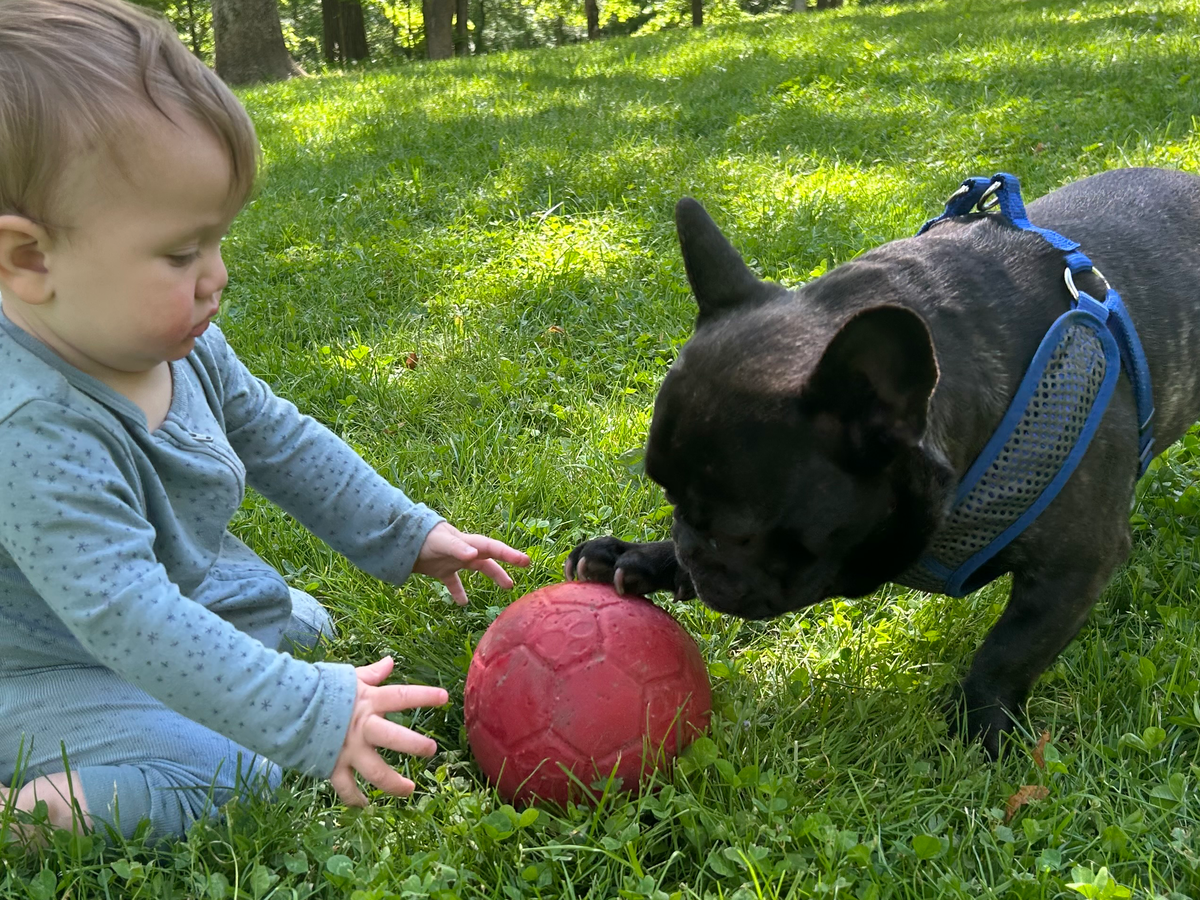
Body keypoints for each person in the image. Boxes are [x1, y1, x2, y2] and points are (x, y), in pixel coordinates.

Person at [0, 0, 529, 843]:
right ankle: (28, 812)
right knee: (235, 765)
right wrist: (307, 712)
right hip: (44, 664)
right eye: (181, 253)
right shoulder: (30, 427)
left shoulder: (171, 341)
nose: (215, 276)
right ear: (31, 259)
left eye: (217, 242)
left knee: (300, 622)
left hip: (157, 603)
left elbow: (277, 436)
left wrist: (405, 532)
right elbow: (128, 613)